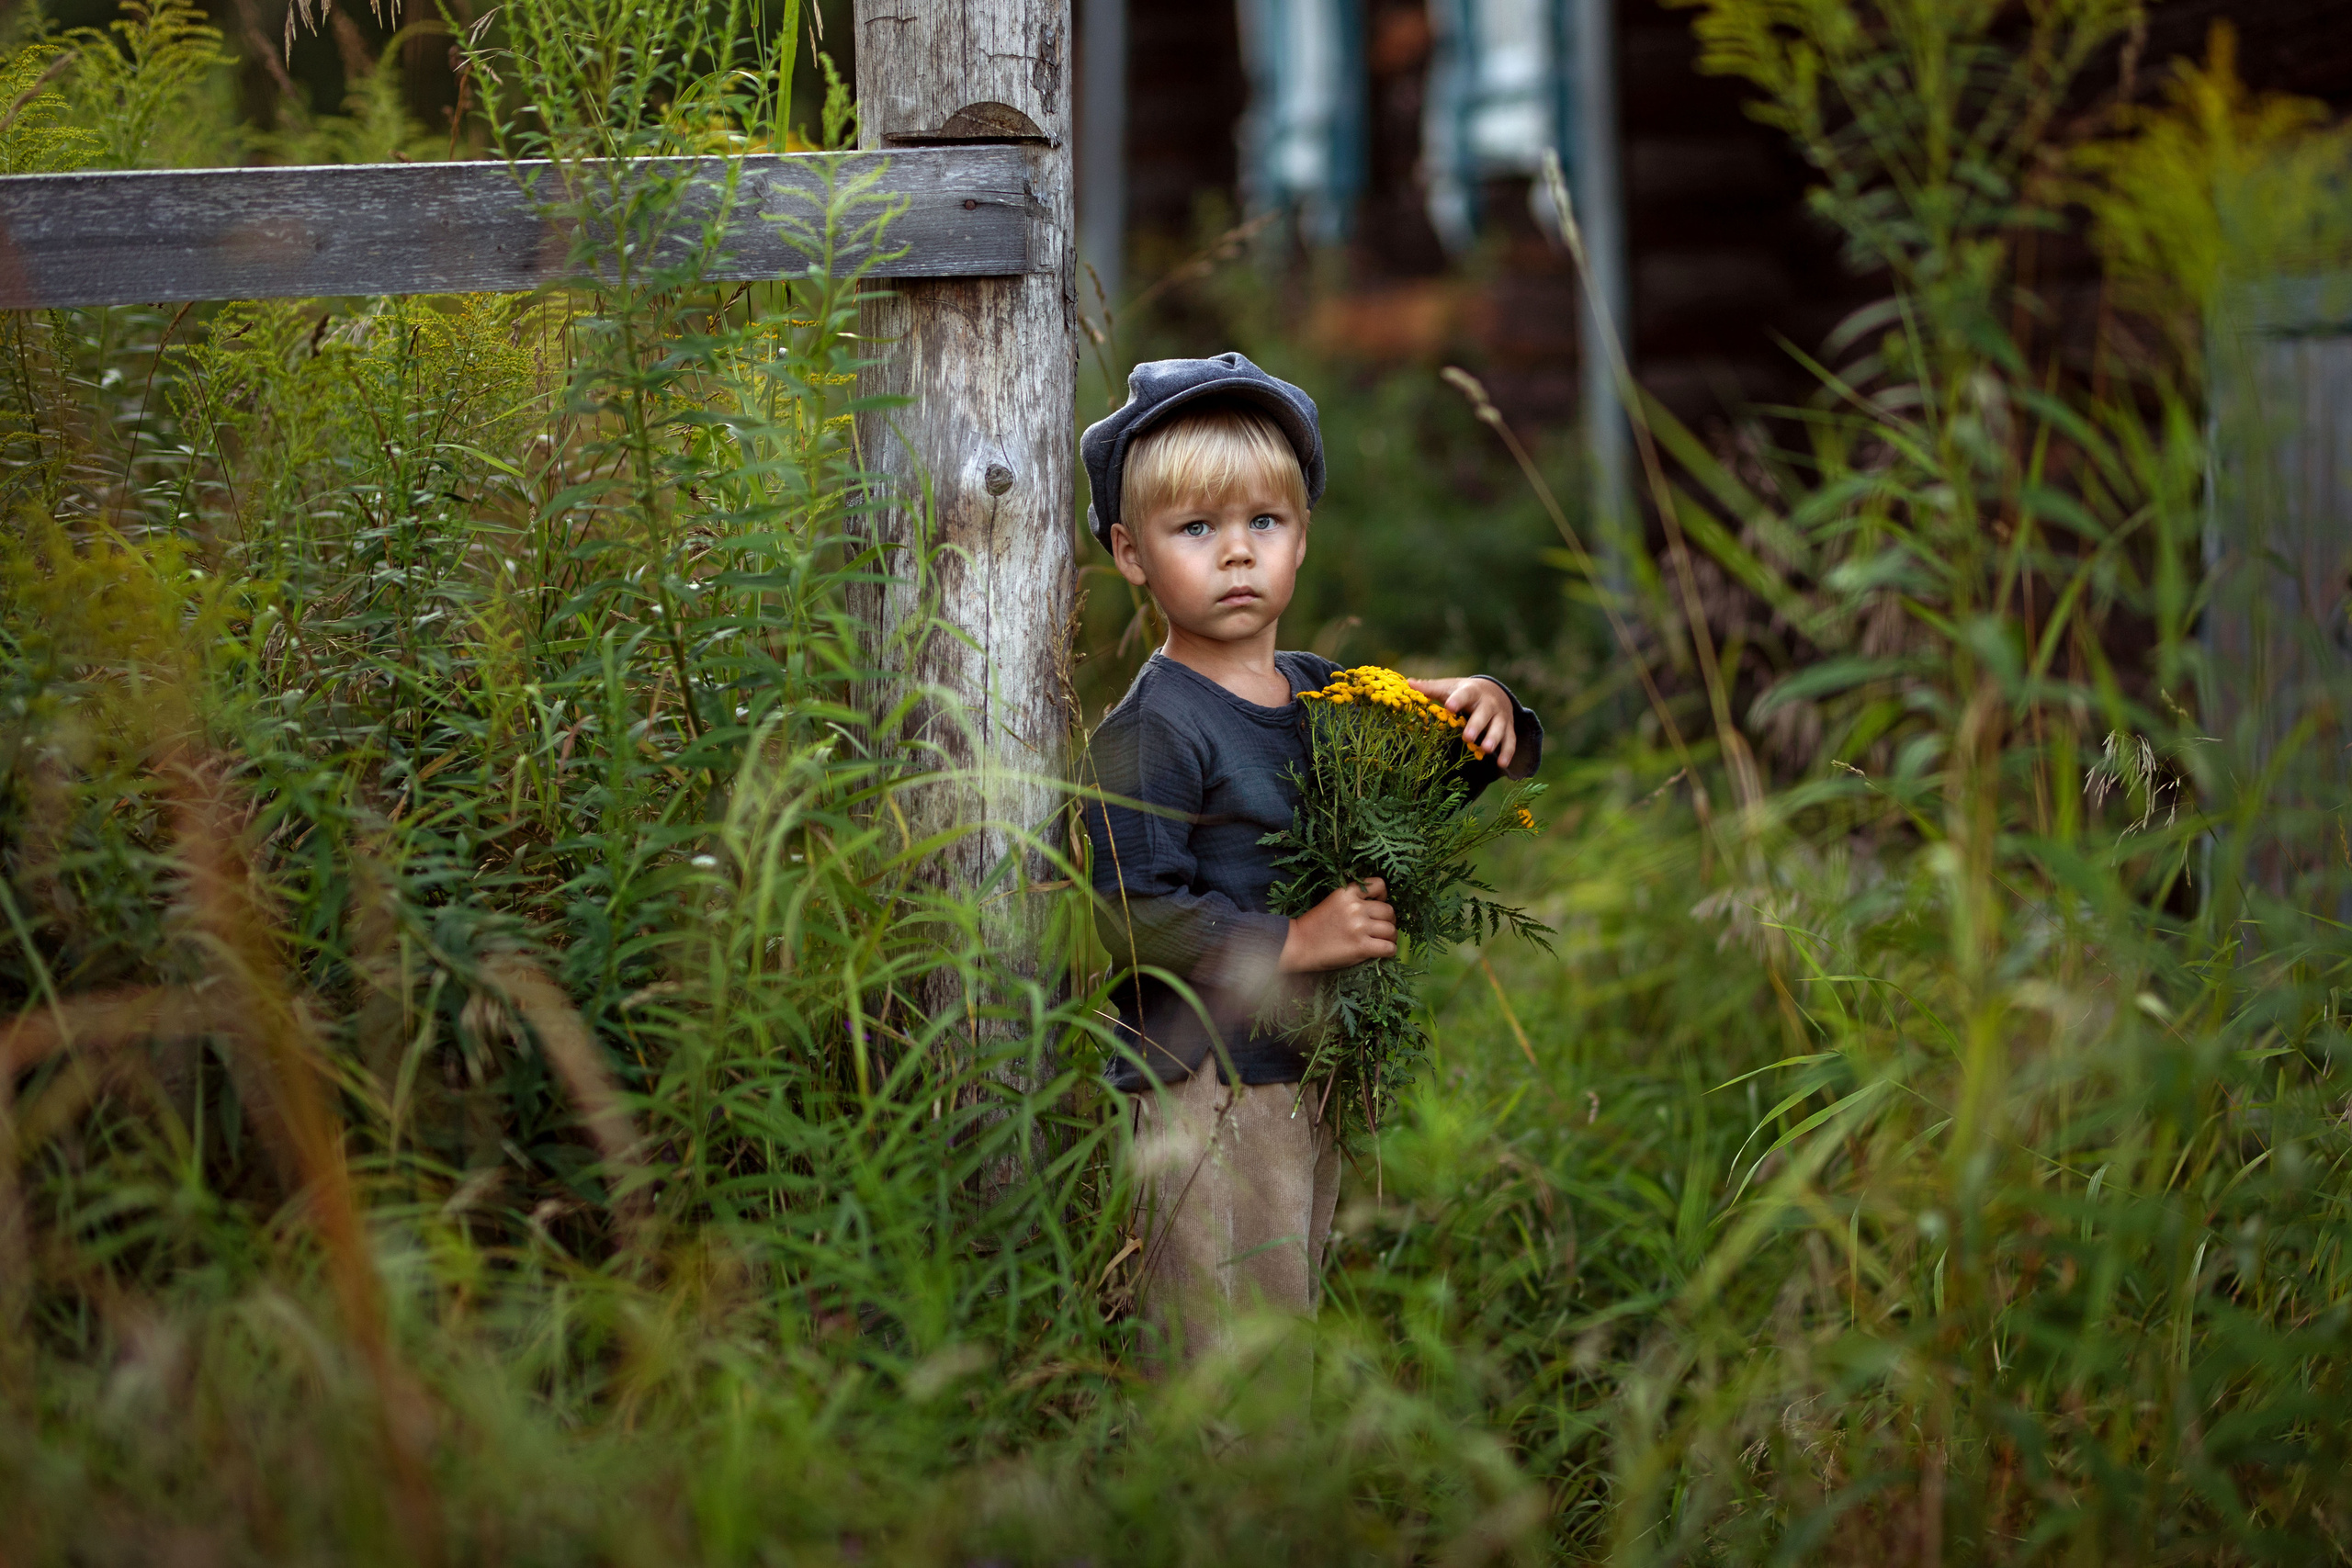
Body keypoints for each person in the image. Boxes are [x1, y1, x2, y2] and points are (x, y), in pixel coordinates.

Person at [1079, 352, 1544, 1365]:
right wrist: (1293, 940)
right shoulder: (1153, 728)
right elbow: (1124, 912)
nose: (1235, 554)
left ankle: (1273, 1505)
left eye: (1263, 523)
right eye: (1194, 529)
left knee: (1284, 1318)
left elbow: (1409, 779)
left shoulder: (1320, 691)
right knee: (1217, 1343)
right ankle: (1216, 1507)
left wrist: (1483, 711)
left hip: (1301, 1071)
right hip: (1203, 1084)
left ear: (1301, 539)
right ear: (1130, 553)